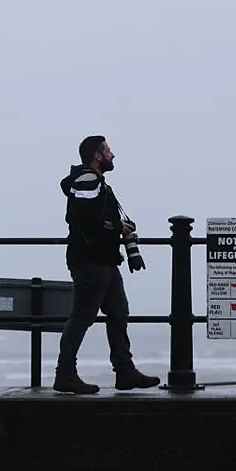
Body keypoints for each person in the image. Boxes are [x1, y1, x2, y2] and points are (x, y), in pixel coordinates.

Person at [53, 135, 161, 394]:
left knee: (118, 312)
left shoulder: (94, 183)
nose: (113, 154)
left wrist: (116, 228)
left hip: (103, 261)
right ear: (98, 156)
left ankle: (125, 372)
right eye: (109, 150)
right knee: (82, 316)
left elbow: (93, 219)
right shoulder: (87, 180)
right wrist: (114, 228)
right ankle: (65, 374)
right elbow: (83, 218)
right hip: (91, 261)